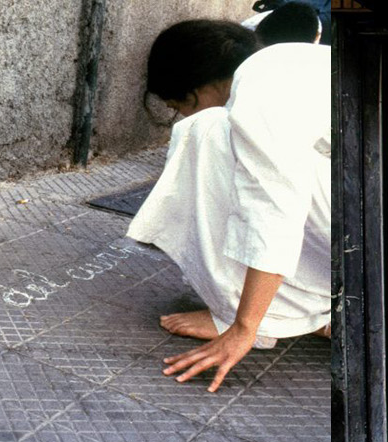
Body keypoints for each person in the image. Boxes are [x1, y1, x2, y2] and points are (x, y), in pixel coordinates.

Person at [129, 21, 332, 392]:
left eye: (179, 107)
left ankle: (251, 315)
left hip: (355, 229)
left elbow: (275, 209)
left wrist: (243, 329)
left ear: (195, 90)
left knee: (205, 132)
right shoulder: (282, 63)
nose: (183, 116)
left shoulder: (259, 93)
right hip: (364, 232)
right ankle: (312, 310)